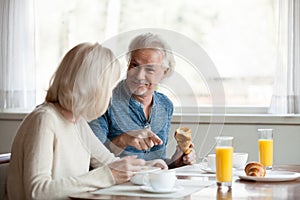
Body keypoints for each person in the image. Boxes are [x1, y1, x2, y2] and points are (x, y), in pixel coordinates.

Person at [6, 42, 167, 199]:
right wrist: (108, 175)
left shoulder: (77, 122)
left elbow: (109, 163)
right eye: (108, 87)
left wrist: (147, 168)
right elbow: (37, 192)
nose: (110, 94)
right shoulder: (45, 119)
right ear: (92, 87)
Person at [89, 33, 196, 168]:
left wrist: (176, 162)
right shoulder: (104, 99)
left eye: (150, 69)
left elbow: (154, 163)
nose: (139, 76)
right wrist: (123, 140)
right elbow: (92, 159)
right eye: (134, 65)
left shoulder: (165, 105)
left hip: (149, 187)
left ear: (164, 72)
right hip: (116, 186)